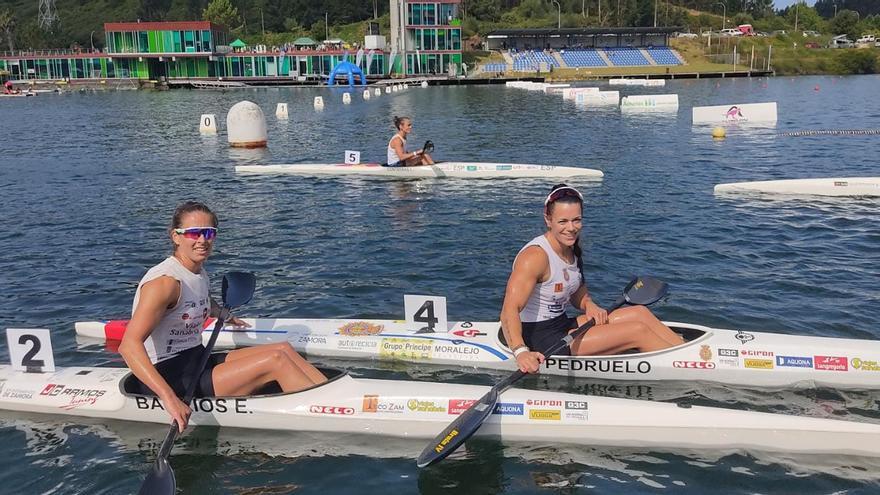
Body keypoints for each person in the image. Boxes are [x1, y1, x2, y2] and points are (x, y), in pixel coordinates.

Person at [119, 201, 327, 431]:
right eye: (193, 233)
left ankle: (331, 398)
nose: (202, 240)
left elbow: (201, 299)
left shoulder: (197, 271)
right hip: (169, 376)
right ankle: (329, 416)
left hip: (194, 359)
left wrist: (224, 315)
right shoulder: (164, 283)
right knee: (275, 362)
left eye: (209, 233)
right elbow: (128, 346)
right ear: (175, 237)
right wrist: (170, 400)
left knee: (283, 349)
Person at [500, 184, 684, 374]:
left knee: (639, 313)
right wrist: (521, 352)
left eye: (576, 220)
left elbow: (577, 294)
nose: (571, 228)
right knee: (637, 331)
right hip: (539, 338)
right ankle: (685, 369)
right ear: (548, 219)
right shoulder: (535, 257)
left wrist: (589, 305)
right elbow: (508, 310)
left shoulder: (571, 248)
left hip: (561, 325)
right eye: (563, 221)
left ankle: (686, 355)